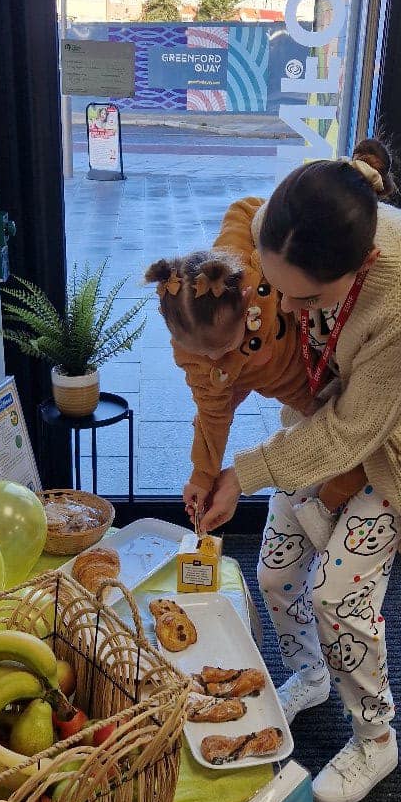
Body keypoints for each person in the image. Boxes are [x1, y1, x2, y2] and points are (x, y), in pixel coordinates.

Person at [198, 139, 401, 802]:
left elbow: (356, 432)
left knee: (337, 595)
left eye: (307, 298)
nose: (291, 310)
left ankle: (377, 738)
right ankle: (311, 674)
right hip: (325, 420)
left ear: (361, 267)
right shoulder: (284, 221)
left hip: (400, 450)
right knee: (274, 570)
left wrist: (244, 472)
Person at [144, 205, 365, 548]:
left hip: (331, 342)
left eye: (224, 347)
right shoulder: (194, 359)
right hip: (302, 393)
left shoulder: (238, 263)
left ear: (246, 300)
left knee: (361, 428)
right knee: (340, 444)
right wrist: (202, 476)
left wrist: (282, 228)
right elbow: (213, 415)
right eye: (202, 353)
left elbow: (245, 208)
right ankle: (328, 505)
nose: (214, 359)